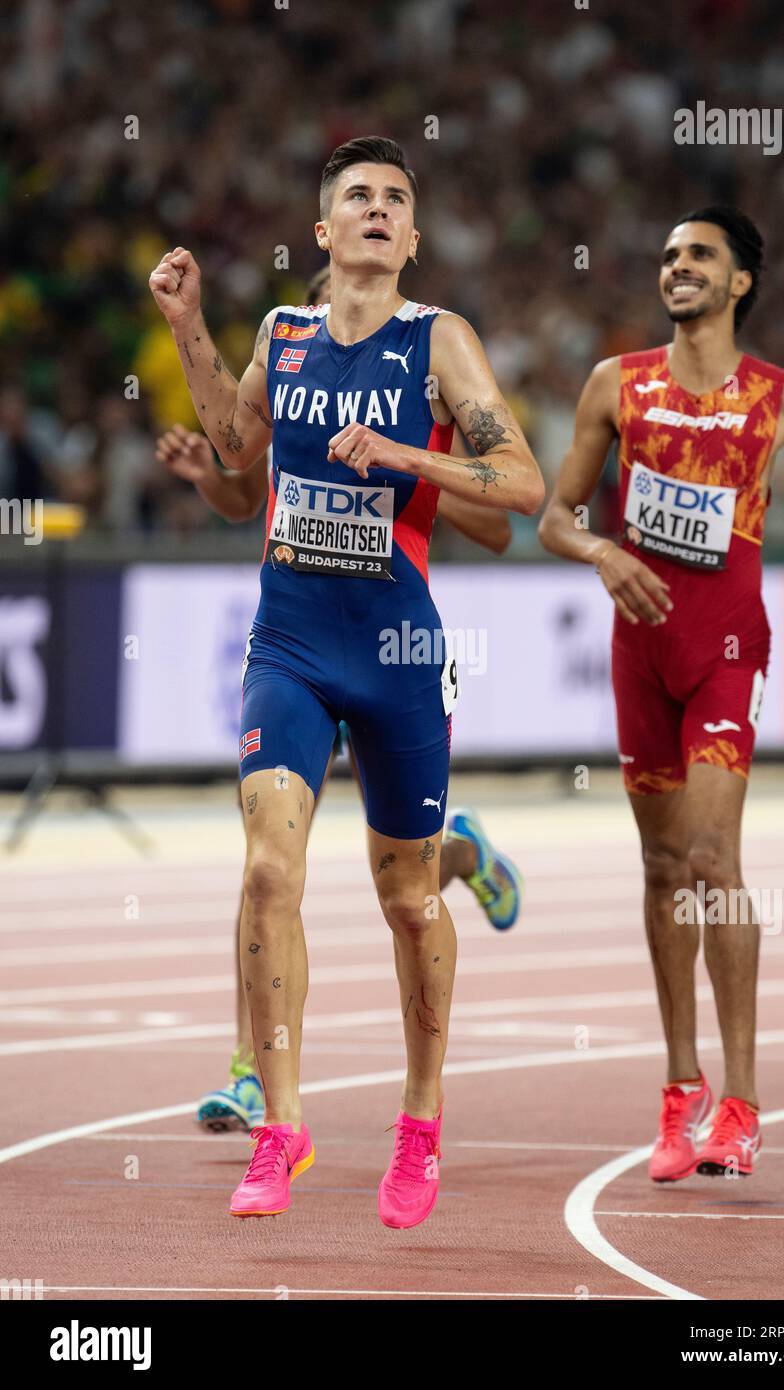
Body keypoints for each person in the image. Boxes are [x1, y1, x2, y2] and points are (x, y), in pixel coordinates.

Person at [149, 135, 544, 1227]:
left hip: (397, 654)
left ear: (411, 240)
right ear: (323, 233)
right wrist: (186, 324)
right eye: (357, 197)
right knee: (269, 873)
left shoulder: (438, 341)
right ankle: (281, 1130)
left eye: (394, 199)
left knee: (409, 899)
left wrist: (407, 455)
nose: (376, 209)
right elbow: (236, 445)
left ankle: (418, 1126)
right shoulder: (280, 333)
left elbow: (519, 483)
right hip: (288, 642)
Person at [539, 206, 784, 1182]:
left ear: (737, 285)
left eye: (698, 256)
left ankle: (743, 1102)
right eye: (668, 254)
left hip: (727, 647)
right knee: (658, 871)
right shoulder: (615, 382)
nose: (675, 266)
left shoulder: (783, 398)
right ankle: (677, 1091)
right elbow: (552, 515)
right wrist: (600, 550)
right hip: (638, 651)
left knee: (713, 856)